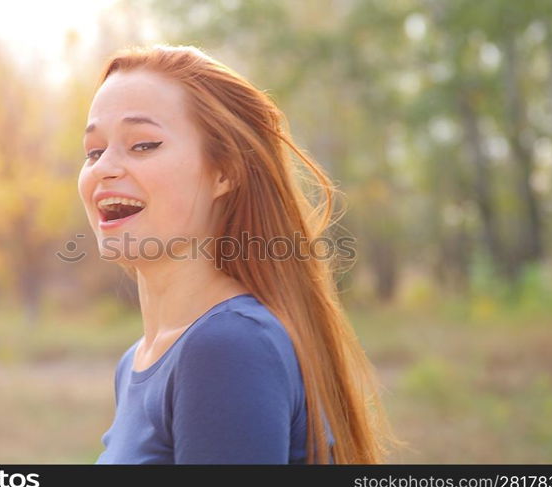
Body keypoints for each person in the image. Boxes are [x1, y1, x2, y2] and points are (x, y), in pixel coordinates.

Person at [78, 44, 400, 464]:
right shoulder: (138, 361)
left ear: (225, 171)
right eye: (93, 151)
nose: (104, 167)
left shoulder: (227, 347)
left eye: (143, 145)